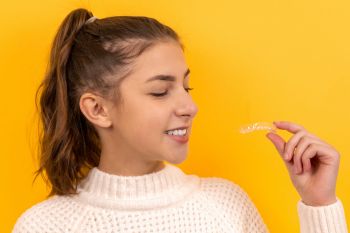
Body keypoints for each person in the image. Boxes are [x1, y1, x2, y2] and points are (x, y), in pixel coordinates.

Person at [12, 8, 348, 233]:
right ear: (98, 109)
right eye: (160, 91)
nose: (190, 106)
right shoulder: (45, 225)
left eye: (186, 86)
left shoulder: (225, 207)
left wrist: (320, 205)